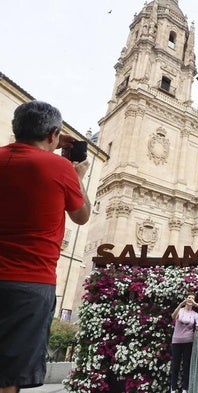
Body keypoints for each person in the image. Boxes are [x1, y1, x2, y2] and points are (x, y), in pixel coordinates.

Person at [0, 101, 91, 393]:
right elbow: (82, 215)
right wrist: (78, 179)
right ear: (53, 135)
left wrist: (50, 140)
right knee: (9, 378)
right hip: (29, 285)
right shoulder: (60, 167)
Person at [170, 293, 197, 393]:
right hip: (176, 341)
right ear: (186, 299)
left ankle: (185, 389)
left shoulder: (195, 314)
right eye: (189, 298)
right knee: (175, 365)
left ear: (194, 303)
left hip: (188, 342)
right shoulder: (180, 310)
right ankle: (173, 388)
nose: (190, 299)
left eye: (193, 299)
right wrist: (181, 304)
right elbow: (173, 316)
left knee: (186, 365)